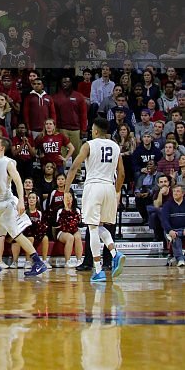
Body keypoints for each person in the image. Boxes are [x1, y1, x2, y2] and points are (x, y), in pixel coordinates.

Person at [0, 136, 49, 277]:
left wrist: (21, 200)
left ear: (2, 147)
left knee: (16, 234)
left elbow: (18, 181)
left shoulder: (8, 163)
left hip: (6, 203)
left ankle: (38, 263)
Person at [65, 116, 125, 283]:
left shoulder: (89, 144)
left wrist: (65, 190)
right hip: (109, 188)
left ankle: (98, 270)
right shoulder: (115, 146)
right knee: (99, 227)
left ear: (96, 130)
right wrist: (117, 191)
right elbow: (122, 174)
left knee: (92, 229)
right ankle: (115, 253)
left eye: (92, 129)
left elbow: (74, 167)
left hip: (94, 186)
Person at [161, 183, 185, 267]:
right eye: (174, 191)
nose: (175, 193)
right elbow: (164, 220)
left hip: (183, 229)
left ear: (183, 193)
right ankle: (181, 259)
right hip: (171, 230)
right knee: (175, 237)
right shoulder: (167, 205)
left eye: (178, 191)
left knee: (178, 234)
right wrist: (170, 230)